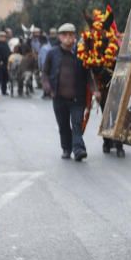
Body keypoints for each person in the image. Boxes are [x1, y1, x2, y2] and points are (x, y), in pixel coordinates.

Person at [43, 23, 89, 161]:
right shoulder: (52, 53)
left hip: (77, 97)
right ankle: (66, 149)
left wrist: (95, 91)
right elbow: (45, 73)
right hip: (59, 97)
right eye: (65, 35)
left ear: (75, 37)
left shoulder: (81, 54)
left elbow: (88, 74)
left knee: (76, 124)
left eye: (71, 35)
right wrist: (48, 88)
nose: (68, 38)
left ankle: (79, 149)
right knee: (63, 125)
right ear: (60, 37)